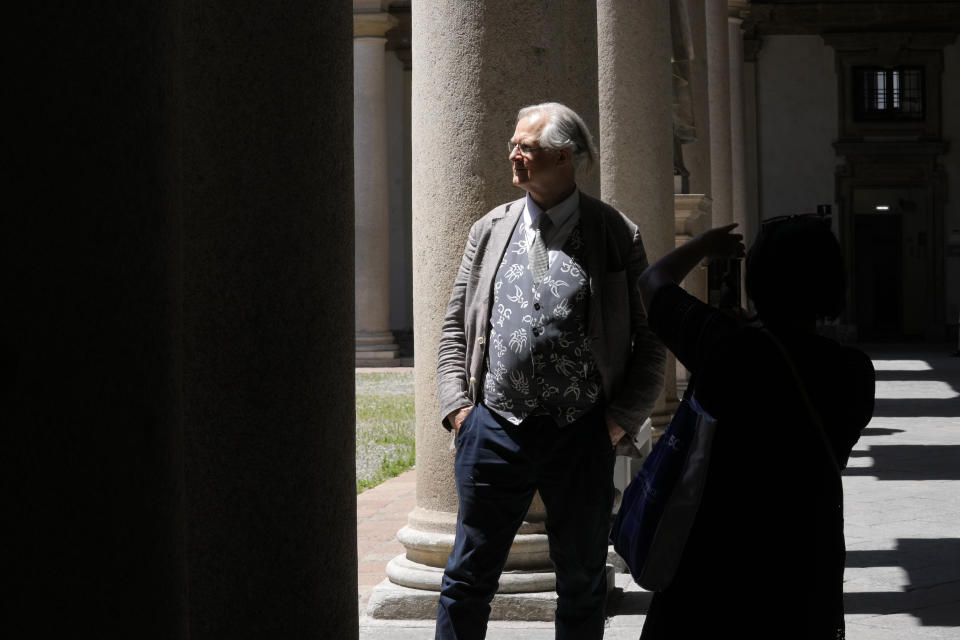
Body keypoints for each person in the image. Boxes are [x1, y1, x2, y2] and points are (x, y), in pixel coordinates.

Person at [435, 102, 666, 640]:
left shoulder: (614, 232)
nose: (514, 156)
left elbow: (651, 337)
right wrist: (458, 411)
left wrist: (620, 419)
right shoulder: (489, 229)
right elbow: (454, 325)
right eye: (515, 145)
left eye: (526, 147)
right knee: (467, 577)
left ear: (564, 157)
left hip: (581, 430)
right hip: (492, 428)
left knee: (583, 580)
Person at [635, 217, 876, 639]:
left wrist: (706, 246)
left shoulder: (724, 344)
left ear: (758, 279)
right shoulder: (854, 371)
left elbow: (653, 281)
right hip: (801, 561)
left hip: (713, 558)